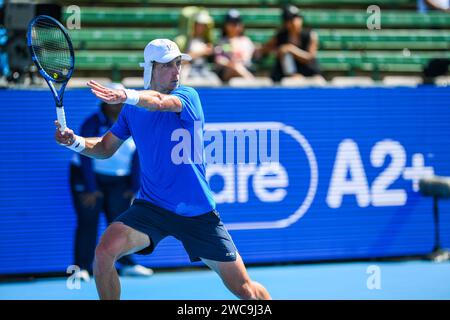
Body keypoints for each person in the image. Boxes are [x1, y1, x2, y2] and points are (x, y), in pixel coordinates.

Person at [55, 39, 271, 300]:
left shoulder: (188, 96)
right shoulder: (131, 112)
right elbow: (104, 147)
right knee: (103, 253)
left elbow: (159, 102)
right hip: (153, 207)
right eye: (168, 65)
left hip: (197, 211)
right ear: (151, 69)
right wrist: (75, 142)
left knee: (245, 290)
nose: (176, 71)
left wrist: (127, 95)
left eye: (178, 64)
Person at [70, 83, 153, 281]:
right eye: (112, 100)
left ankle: (125, 264)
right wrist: (90, 187)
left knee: (121, 223)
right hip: (87, 177)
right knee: (88, 221)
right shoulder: (92, 122)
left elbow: (138, 156)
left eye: (120, 100)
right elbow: (84, 155)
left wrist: (134, 187)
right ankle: (81, 267)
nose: (116, 104)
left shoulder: (133, 121)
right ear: (104, 102)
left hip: (119, 181)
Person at [257, 4, 324, 83]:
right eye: (291, 19)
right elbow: (265, 49)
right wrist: (276, 51)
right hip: (287, 74)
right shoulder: (281, 36)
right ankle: (292, 74)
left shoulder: (310, 35)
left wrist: (291, 49)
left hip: (308, 71)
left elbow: (309, 58)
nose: (295, 22)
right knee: (283, 51)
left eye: (297, 18)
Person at [174, 7, 219, 82]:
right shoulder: (183, 41)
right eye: (199, 24)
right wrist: (201, 52)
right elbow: (179, 61)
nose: (201, 27)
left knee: (215, 82)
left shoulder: (207, 40)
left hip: (203, 71)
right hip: (188, 72)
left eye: (204, 25)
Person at [214, 9, 256, 82]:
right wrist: (231, 64)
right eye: (231, 23)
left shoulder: (246, 41)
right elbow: (219, 60)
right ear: (226, 25)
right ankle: (253, 83)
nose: (234, 26)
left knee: (238, 67)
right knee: (236, 67)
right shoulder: (221, 41)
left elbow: (246, 59)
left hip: (243, 68)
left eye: (236, 23)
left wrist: (237, 63)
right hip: (226, 71)